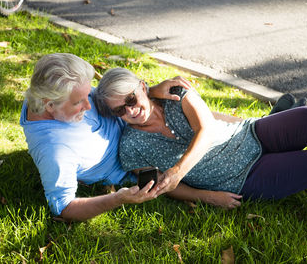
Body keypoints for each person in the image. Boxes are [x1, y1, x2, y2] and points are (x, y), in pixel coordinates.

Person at [94, 67, 307, 208]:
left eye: (131, 98)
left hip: (250, 134)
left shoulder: (176, 93)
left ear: (143, 86)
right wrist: (208, 197)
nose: (130, 110)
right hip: (241, 176)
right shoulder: (130, 147)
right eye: (119, 109)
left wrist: (178, 169)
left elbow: (208, 129)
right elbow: (166, 187)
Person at [20, 53, 247, 222]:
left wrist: (148, 93)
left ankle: (255, 123)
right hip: (137, 153)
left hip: (135, 117)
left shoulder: (55, 88)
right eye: (79, 103)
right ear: (50, 105)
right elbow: (63, 208)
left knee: (180, 110)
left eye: (87, 95)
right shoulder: (54, 150)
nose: (89, 105)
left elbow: (108, 96)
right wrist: (117, 199)